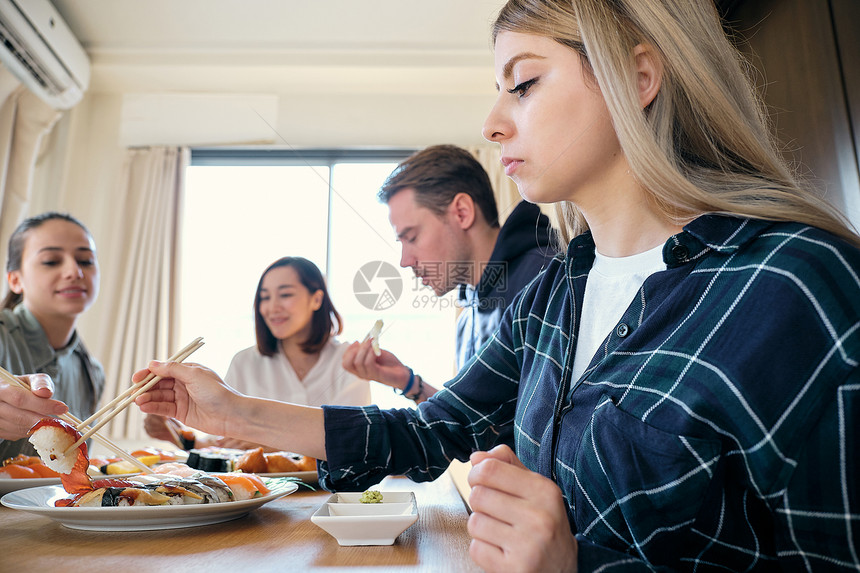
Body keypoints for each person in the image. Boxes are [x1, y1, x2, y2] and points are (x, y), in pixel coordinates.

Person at [133, 0, 860, 570]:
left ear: (639, 77)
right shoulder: (556, 294)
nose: (493, 122)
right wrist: (233, 415)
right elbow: (433, 429)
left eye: (525, 84)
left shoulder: (795, 286)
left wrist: (579, 564)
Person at [343, 144, 554, 404]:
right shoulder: (467, 318)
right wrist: (408, 383)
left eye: (412, 237)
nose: (404, 261)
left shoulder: (546, 281)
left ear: (462, 213)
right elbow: (475, 426)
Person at [144, 256, 371, 450]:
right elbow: (225, 444)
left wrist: (271, 441)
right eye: (264, 297)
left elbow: (357, 441)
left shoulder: (350, 360)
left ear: (316, 299)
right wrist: (179, 437)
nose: (272, 307)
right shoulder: (245, 362)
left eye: (285, 294)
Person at [0, 212, 103, 461]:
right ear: (15, 280)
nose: (74, 271)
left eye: (85, 260)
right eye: (51, 261)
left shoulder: (92, 372)